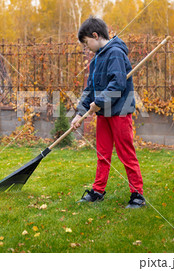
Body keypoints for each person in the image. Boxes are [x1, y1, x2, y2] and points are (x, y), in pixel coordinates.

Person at [71, 16, 145, 209]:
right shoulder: (97, 60)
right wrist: (80, 113)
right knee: (102, 153)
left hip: (119, 112)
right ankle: (98, 191)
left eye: (87, 43)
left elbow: (118, 84)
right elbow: (90, 89)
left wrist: (100, 101)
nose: (87, 48)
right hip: (104, 114)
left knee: (125, 153)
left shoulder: (115, 53)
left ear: (95, 35)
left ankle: (137, 195)